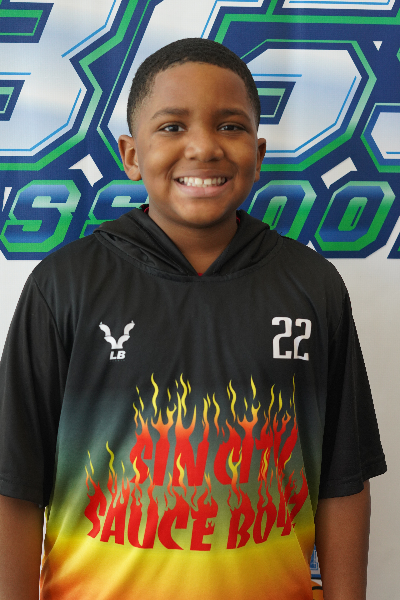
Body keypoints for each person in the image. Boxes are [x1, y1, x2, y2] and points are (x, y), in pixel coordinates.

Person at [0, 38, 386, 600]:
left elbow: (343, 479)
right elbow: (14, 483)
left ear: (258, 153)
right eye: (172, 127)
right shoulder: (64, 286)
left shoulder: (313, 286)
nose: (204, 147)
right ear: (131, 155)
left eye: (230, 126)